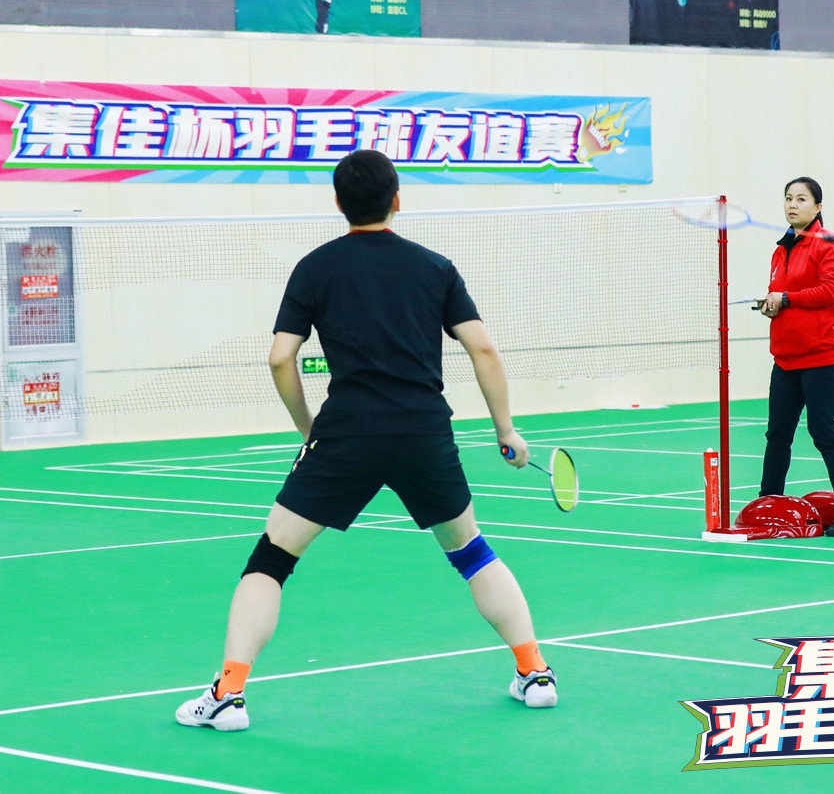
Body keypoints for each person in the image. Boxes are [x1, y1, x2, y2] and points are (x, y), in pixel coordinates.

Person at [176, 149, 556, 731]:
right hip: (423, 433)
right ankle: (535, 673)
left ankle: (228, 694)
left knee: (272, 560)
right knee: (471, 552)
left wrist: (308, 429)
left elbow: (280, 357)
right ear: (396, 199)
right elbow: (482, 347)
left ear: (338, 203)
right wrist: (505, 428)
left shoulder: (315, 268)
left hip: (347, 434)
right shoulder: (436, 268)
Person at [755, 177, 834, 537]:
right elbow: (782, 295)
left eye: (801, 199)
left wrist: (786, 298)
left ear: (818, 206)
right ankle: (767, 506)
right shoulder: (780, 249)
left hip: (823, 360)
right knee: (777, 435)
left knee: (825, 435)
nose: (792, 204)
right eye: (788, 198)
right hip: (786, 360)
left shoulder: (827, 244)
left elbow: (831, 291)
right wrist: (772, 305)